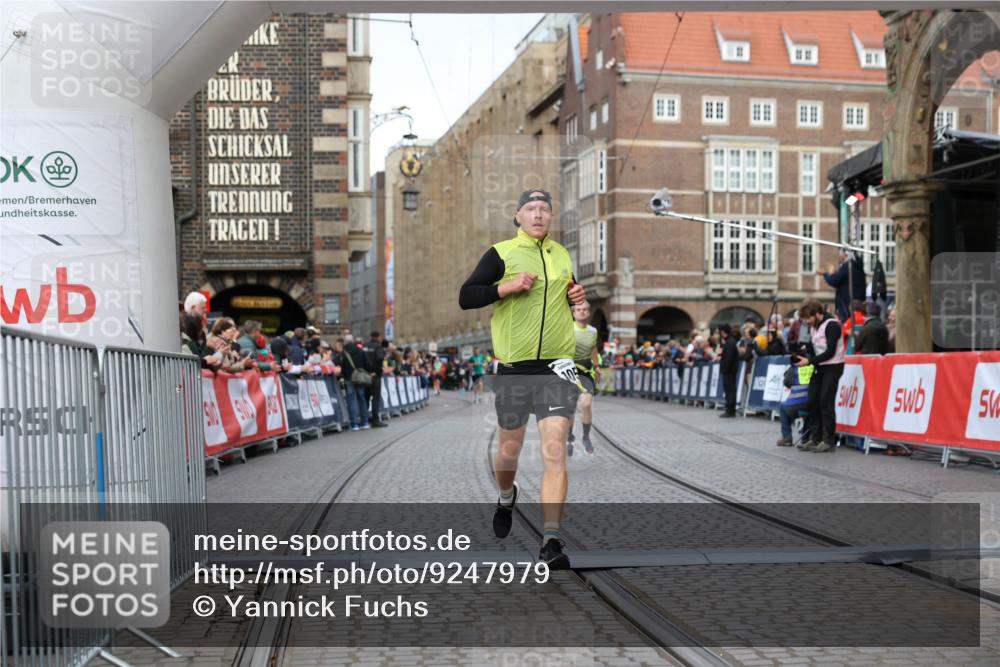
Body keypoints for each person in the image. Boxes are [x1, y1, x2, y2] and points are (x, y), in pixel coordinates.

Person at [458, 187, 585, 569]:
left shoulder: (561, 255)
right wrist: (506, 287)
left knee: (555, 451)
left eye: (544, 209)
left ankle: (551, 540)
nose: (538, 214)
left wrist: (577, 295)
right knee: (509, 452)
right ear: (517, 216)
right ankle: (505, 494)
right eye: (530, 209)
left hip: (556, 368)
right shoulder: (501, 254)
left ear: (551, 216)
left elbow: (568, 298)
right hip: (514, 369)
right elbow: (467, 296)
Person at [795, 300, 845, 453]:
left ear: (818, 313)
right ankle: (814, 438)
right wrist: (806, 348)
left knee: (825, 401)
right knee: (812, 401)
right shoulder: (814, 326)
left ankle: (828, 440)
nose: (807, 321)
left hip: (833, 366)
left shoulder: (832, 325)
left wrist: (809, 361)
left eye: (809, 318)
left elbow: (830, 351)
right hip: (819, 366)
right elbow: (816, 346)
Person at [568, 301, 600, 456]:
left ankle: (586, 436)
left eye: (585, 310)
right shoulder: (567, 329)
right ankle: (569, 437)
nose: (581, 312)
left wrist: (597, 367)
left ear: (588, 313)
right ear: (574, 313)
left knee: (586, 404)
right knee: (570, 408)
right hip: (568, 371)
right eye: (578, 309)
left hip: (586, 371)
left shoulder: (593, 331)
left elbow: (593, 348)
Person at [819, 250, 866, 321]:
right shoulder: (857, 266)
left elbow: (835, 281)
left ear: (845, 255)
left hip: (847, 303)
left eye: (840, 253)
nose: (839, 256)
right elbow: (842, 280)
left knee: (847, 323)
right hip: (857, 301)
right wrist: (833, 274)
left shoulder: (848, 265)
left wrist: (826, 274)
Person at [364, 332, 389, 427]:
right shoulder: (378, 347)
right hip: (375, 377)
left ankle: (364, 418)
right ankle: (375, 420)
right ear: (378, 337)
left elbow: (362, 359)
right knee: (375, 399)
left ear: (370, 337)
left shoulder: (364, 346)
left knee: (365, 398)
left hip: (365, 376)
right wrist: (376, 372)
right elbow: (379, 360)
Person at [719, 323, 740, 418]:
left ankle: (730, 410)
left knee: (730, 390)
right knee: (728, 390)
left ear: (723, 332)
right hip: (728, 370)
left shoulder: (730, 342)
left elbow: (729, 357)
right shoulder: (729, 341)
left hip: (729, 370)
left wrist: (725, 368)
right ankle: (729, 409)